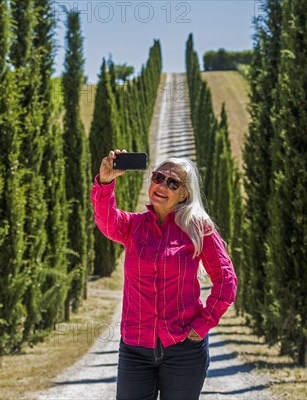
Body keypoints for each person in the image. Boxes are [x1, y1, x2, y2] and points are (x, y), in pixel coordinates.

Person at [91, 149, 238, 400]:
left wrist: (200, 327)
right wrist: (105, 181)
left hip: (184, 350)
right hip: (135, 348)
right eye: (158, 177)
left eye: (173, 183)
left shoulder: (199, 229)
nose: (162, 185)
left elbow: (226, 281)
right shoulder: (133, 226)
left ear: (184, 194)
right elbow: (107, 222)